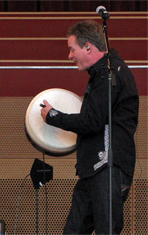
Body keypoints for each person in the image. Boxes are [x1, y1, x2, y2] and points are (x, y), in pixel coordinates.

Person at [40, 20, 139, 234]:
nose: (69, 56)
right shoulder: (104, 73)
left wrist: (54, 116)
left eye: (71, 49)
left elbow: (92, 121)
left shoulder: (110, 73)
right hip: (95, 170)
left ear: (88, 47)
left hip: (107, 168)